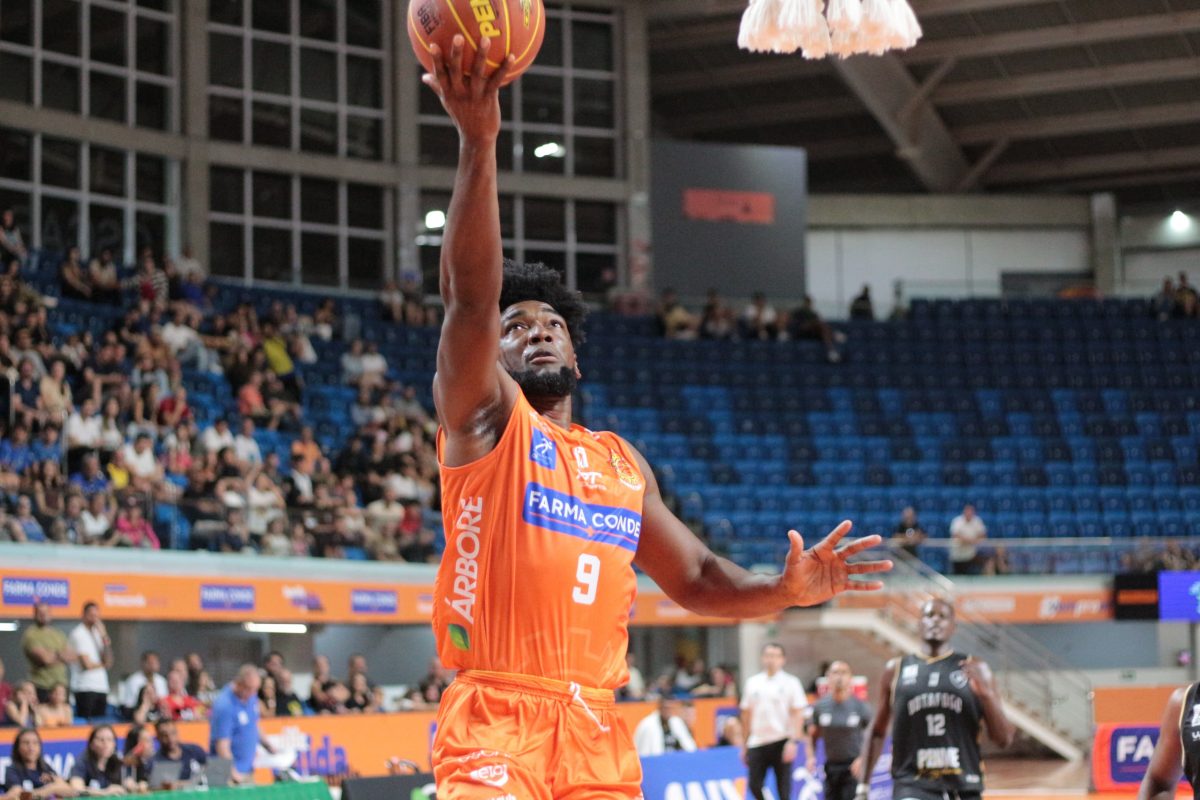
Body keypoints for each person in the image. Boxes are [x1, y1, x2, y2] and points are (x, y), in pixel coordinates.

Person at [421, 33, 889, 797]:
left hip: (596, 729)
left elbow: (699, 576)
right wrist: (479, 141)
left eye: (552, 323)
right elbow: (470, 300)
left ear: (576, 352)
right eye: (516, 326)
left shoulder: (619, 462)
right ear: (490, 356)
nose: (537, 331)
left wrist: (783, 590)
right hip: (498, 717)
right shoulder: (486, 421)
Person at [858, 599, 1015, 800]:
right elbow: (877, 732)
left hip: (964, 784)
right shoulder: (896, 670)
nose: (935, 620)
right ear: (919, 623)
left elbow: (1004, 739)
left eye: (942, 616)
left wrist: (987, 696)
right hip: (912, 784)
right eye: (929, 615)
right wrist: (862, 787)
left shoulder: (974, 667)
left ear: (953, 626)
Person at [740, 642, 815, 800]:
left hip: (782, 740)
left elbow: (798, 714)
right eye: (768, 656)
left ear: (782, 659)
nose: (771, 660)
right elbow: (746, 715)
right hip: (757, 741)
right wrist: (744, 744)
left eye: (775, 656)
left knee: (784, 790)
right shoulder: (752, 682)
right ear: (762, 658)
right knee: (754, 785)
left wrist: (793, 741)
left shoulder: (791, 682)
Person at [809, 661, 872, 800]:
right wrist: (810, 756)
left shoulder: (860, 706)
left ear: (850, 678)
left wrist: (862, 758)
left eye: (844, 673)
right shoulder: (820, 706)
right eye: (835, 672)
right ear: (828, 677)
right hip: (831, 767)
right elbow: (812, 734)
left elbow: (873, 736)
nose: (839, 677)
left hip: (854, 767)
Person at [210, 664, 270, 784]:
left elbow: (254, 724)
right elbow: (222, 746)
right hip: (230, 774)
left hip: (248, 769)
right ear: (239, 684)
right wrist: (234, 775)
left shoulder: (250, 696)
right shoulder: (225, 706)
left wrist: (269, 746)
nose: (253, 693)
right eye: (249, 689)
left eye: (255, 689)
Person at [21, 602, 73, 703]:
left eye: (46, 612)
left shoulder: (58, 634)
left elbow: (70, 657)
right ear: (35, 614)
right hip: (42, 686)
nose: (44, 615)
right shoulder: (31, 634)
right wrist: (60, 655)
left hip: (61, 687)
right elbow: (45, 659)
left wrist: (52, 654)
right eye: (40, 612)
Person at [68, 601, 112, 719]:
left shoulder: (98, 634)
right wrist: (103, 664)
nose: (94, 618)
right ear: (84, 615)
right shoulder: (78, 633)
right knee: (87, 723)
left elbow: (109, 661)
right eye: (91, 615)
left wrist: (104, 637)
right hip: (84, 687)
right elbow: (86, 665)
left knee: (101, 722)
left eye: (96, 615)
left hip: (101, 686)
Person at [2, 727, 74, 799]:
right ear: (18, 747)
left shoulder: (45, 767)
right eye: (26, 743)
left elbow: (70, 791)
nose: (31, 747)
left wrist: (57, 782)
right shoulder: (12, 770)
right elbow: (18, 795)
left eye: (35, 743)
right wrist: (51, 789)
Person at [70, 724, 133, 795]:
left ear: (114, 744)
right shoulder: (82, 761)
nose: (106, 744)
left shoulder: (116, 761)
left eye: (109, 739)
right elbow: (76, 789)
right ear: (91, 744)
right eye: (101, 740)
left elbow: (128, 782)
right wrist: (105, 792)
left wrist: (133, 785)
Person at [633, 697, 697, 756]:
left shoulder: (677, 723)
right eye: (666, 708)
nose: (668, 711)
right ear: (660, 708)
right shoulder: (648, 725)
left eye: (671, 708)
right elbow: (644, 751)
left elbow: (689, 747)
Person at [153, 719, 208, 784]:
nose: (170, 738)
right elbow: (157, 785)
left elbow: (210, 770)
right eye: (164, 735)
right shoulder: (155, 762)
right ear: (158, 737)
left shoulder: (195, 751)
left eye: (173, 733)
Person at [120, 651, 168, 717]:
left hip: (158, 713)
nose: (153, 665)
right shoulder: (133, 680)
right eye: (150, 663)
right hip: (136, 712)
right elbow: (129, 704)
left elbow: (164, 699)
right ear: (143, 663)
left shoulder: (161, 680)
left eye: (155, 662)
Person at [949, 505, 987, 576]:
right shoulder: (957, 521)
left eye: (971, 512)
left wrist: (972, 541)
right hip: (958, 554)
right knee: (958, 575)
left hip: (971, 554)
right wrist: (969, 540)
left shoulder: (977, 521)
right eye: (967, 512)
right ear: (964, 512)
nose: (969, 514)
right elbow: (955, 535)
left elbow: (982, 535)